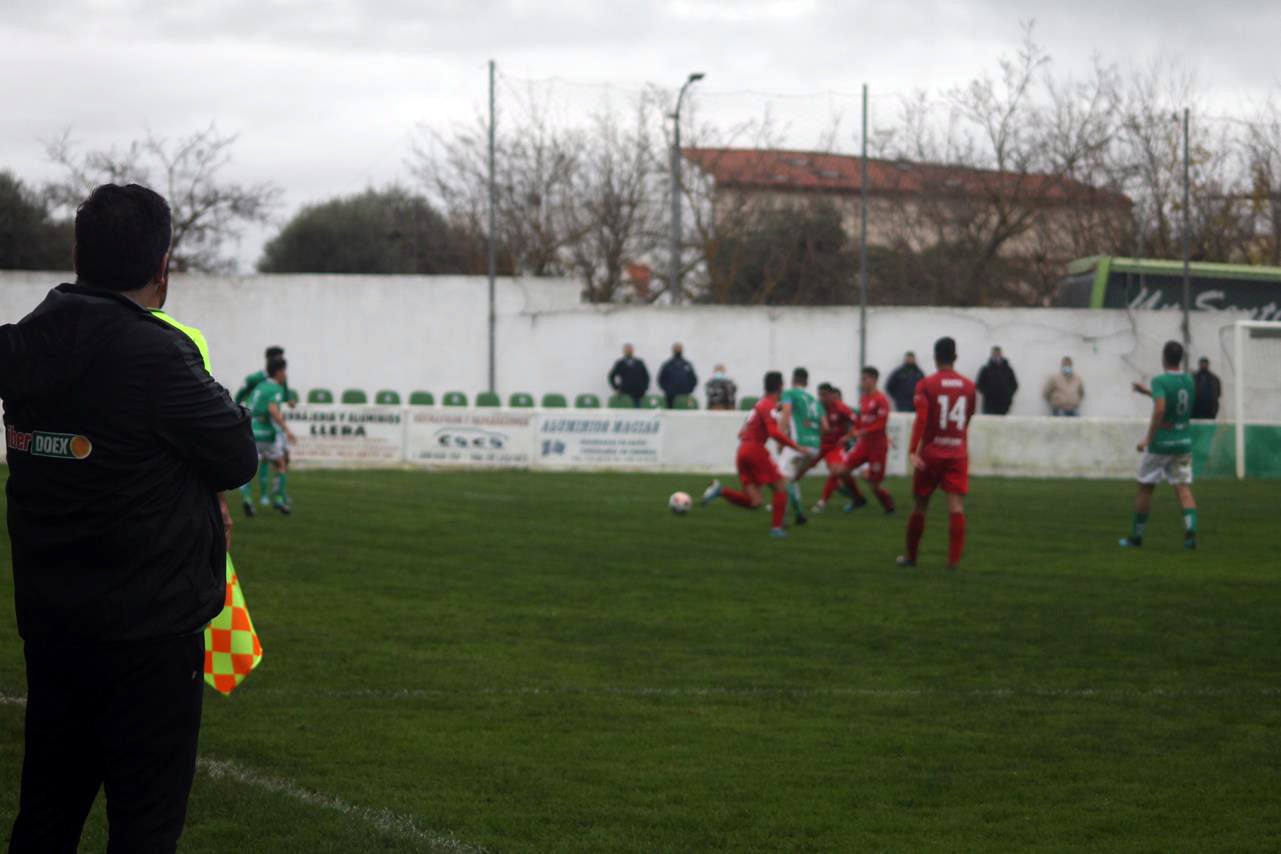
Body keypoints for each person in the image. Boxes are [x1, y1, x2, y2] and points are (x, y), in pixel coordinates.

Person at [0, 184, 258, 852]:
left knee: (46, 815)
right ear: (162, 266)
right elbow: (235, 454)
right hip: (147, 636)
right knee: (145, 825)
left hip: (52, 624)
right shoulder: (157, 355)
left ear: (76, 253)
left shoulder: (22, 344)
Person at [898, 336, 977, 571]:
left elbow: (921, 418)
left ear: (935, 357)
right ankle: (952, 562)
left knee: (920, 505)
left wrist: (914, 450)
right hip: (957, 453)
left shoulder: (926, 384)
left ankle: (911, 558)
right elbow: (968, 417)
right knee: (956, 507)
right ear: (955, 357)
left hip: (931, 453)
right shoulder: (969, 386)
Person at [701, 371, 807, 538]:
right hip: (755, 450)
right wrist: (796, 446)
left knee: (754, 501)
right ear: (780, 386)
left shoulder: (758, 405)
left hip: (742, 451)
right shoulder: (768, 405)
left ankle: (720, 490)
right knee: (780, 487)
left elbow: (741, 432)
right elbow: (774, 432)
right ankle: (777, 528)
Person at [1121, 341, 1199, 550]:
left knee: (1145, 488)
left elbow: (1160, 408)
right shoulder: (1189, 380)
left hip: (1162, 444)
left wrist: (1148, 439)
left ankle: (1136, 538)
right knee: (1183, 489)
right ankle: (1190, 532)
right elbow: (1175, 400)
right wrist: (1146, 392)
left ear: (1164, 357)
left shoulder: (1160, 380)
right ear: (1180, 359)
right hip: (1183, 442)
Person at [240, 357, 298, 516]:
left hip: (251, 431)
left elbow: (248, 404)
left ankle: (247, 500)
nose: (285, 374)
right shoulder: (275, 389)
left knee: (248, 468)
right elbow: (273, 409)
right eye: (284, 371)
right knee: (280, 464)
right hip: (267, 433)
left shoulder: (259, 386)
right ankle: (279, 499)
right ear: (278, 372)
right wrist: (287, 430)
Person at [843, 367, 897, 514]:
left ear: (873, 380)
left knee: (874, 485)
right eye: (862, 379)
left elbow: (881, 423)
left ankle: (889, 506)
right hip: (864, 445)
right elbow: (861, 420)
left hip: (878, 447)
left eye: (864, 379)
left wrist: (862, 431)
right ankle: (858, 499)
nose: (861, 382)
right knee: (843, 470)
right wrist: (851, 433)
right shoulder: (864, 399)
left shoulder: (881, 400)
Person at [807, 383, 865, 513]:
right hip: (818, 444)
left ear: (831, 395)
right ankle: (858, 497)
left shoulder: (841, 408)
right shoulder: (816, 407)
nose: (822, 398)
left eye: (824, 395)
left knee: (837, 471)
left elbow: (859, 421)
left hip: (835, 446)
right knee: (797, 469)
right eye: (820, 395)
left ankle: (823, 502)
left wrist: (849, 435)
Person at [777, 367, 824, 527]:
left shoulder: (789, 394)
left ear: (793, 380)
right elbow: (824, 425)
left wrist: (780, 439)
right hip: (814, 447)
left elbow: (786, 413)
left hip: (798, 445)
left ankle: (780, 519)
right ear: (806, 382)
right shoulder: (813, 400)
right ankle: (799, 515)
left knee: (780, 478)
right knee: (792, 478)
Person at [976, 345, 1018, 415]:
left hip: (1004, 405)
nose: (996, 355)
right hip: (989, 405)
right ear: (992, 354)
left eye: (998, 353)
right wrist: (988, 393)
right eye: (995, 354)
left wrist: (1008, 395)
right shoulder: (986, 369)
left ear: (1001, 354)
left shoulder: (1008, 369)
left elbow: (1014, 385)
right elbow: (979, 385)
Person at [608, 343, 650, 407]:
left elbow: (646, 376)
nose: (628, 351)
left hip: (638, 394)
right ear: (624, 351)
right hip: (624, 394)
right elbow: (611, 376)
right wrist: (616, 388)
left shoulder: (639, 363)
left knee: (639, 414)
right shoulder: (620, 363)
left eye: (630, 349)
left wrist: (644, 388)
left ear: (633, 350)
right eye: (627, 350)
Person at [658, 342, 698, 409]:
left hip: (685, 396)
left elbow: (693, 379)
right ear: (673, 350)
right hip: (670, 397)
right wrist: (668, 390)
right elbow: (661, 379)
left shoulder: (687, 364)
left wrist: (689, 389)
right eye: (676, 349)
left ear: (682, 350)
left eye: (679, 349)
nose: (678, 350)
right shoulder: (667, 365)